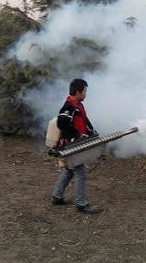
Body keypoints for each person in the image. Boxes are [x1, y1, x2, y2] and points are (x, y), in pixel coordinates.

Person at [51, 78, 102, 214]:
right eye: (84, 91)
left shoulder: (78, 105)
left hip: (76, 144)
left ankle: (57, 196)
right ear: (78, 92)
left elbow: (84, 120)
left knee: (69, 169)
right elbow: (61, 123)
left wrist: (90, 131)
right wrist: (76, 134)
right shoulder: (69, 106)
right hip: (71, 145)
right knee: (80, 172)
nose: (86, 94)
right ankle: (81, 203)